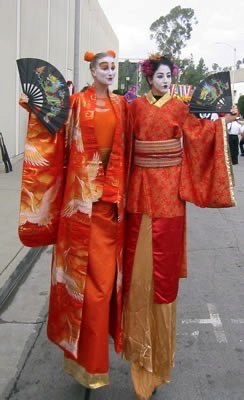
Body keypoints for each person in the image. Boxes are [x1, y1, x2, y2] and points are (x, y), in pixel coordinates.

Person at [122, 53, 237, 400]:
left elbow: (200, 137)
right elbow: (120, 142)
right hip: (139, 196)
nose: (165, 81)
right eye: (159, 76)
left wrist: (220, 123)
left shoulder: (179, 109)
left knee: (164, 279)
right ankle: (139, 357)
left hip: (170, 198)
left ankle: (159, 361)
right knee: (137, 275)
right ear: (148, 78)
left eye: (168, 76)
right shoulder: (134, 108)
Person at [19, 50, 127, 398]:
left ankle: (90, 362)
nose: (110, 72)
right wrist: (38, 113)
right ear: (92, 70)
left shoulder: (122, 106)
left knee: (104, 289)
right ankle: (90, 367)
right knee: (89, 291)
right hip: (81, 209)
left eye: (113, 67)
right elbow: (53, 139)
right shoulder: (77, 103)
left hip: (113, 209)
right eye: (104, 67)